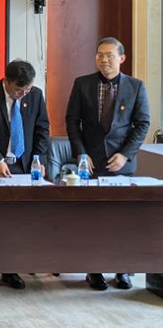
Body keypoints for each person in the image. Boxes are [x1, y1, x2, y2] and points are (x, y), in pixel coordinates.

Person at [66, 37, 150, 291]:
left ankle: (122, 270)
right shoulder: (82, 84)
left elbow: (142, 124)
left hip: (121, 165)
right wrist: (81, 154)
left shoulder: (136, 86)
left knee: (122, 219)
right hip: (90, 164)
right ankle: (94, 270)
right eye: (100, 55)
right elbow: (72, 121)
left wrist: (125, 154)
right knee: (93, 219)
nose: (104, 60)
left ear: (121, 58)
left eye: (109, 55)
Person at [0, 59, 50, 292]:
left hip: (23, 167)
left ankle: (11, 270)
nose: (24, 94)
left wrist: (39, 159)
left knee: (15, 221)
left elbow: (42, 129)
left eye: (27, 89)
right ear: (6, 81)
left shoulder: (35, 95)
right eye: (19, 90)